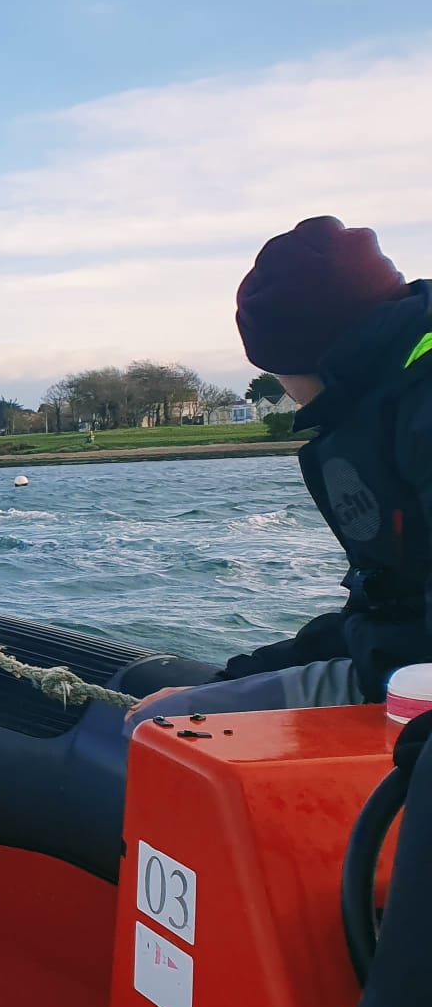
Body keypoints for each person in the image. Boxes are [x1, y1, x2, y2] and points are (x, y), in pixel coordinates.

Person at [128, 217, 432, 725]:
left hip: (410, 689)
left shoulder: (409, 415)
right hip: (401, 664)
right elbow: (389, 605)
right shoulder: (391, 402)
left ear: (306, 356)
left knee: (156, 729)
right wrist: (240, 677)